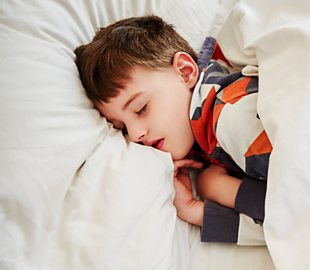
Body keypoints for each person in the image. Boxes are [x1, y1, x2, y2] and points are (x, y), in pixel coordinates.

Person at [74, 15, 271, 245]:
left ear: (185, 72)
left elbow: (299, 210)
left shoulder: (231, 115)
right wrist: (194, 209)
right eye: (122, 127)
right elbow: (281, 231)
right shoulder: (207, 135)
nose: (136, 134)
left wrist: (221, 189)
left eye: (140, 109)